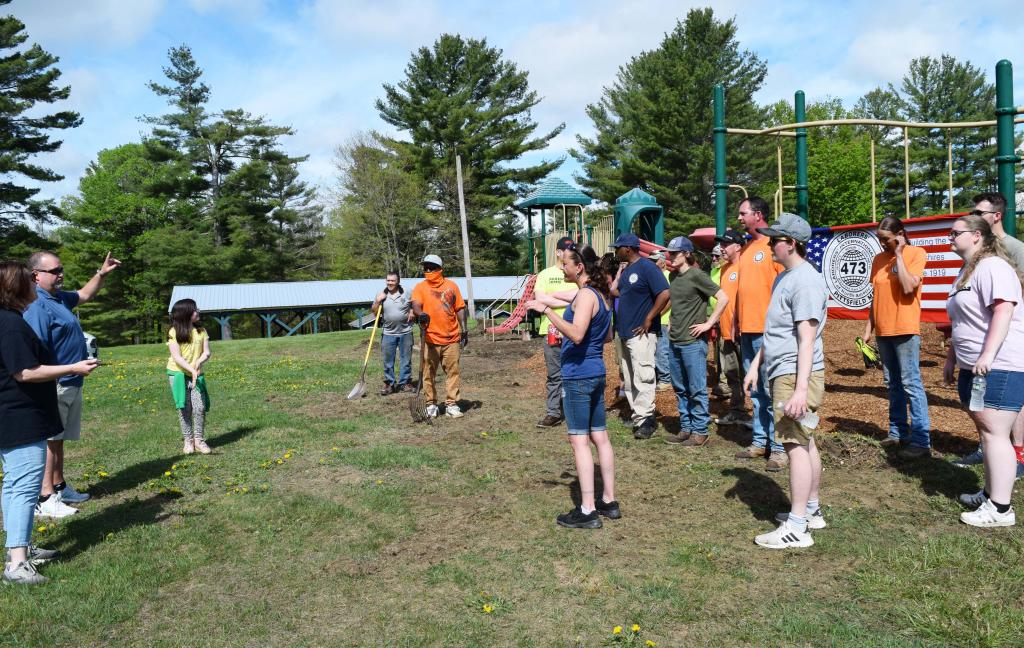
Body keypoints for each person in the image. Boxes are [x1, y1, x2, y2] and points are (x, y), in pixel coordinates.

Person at [1, 261, 98, 584]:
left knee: (14, 485)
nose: (36, 283)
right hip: (19, 417)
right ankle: (17, 564)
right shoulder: (11, 324)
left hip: (15, 415)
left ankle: (21, 547)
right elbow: (24, 372)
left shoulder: (10, 320)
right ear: (18, 286)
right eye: (30, 279)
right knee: (24, 488)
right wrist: (73, 367)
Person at [743, 213, 829, 549]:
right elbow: (776, 331)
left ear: (791, 243)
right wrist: (755, 366)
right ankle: (811, 511)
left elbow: (806, 339)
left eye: (774, 239)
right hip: (783, 369)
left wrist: (799, 391)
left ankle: (796, 527)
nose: (769, 244)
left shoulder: (805, 281)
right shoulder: (785, 278)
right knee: (805, 442)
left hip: (795, 373)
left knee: (794, 445)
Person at [525, 246, 618, 529]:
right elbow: (609, 335)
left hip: (579, 375)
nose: (561, 268)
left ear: (579, 267)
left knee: (579, 441)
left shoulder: (587, 295)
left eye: (564, 263)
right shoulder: (600, 295)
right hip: (596, 371)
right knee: (599, 437)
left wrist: (547, 313)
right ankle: (609, 501)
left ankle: (588, 509)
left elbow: (577, 335)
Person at [23, 250, 120, 518]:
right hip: (56, 383)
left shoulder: (58, 298)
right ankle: (45, 498)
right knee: (49, 440)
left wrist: (101, 273)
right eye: (54, 271)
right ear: (36, 275)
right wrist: (63, 371)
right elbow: (36, 351)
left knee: (59, 439)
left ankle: (59, 486)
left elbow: (85, 295)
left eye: (61, 269)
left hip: (72, 380)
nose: (60, 274)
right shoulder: (38, 305)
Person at [945, 214, 1024, 527]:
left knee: (995, 434)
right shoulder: (968, 270)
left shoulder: (993, 267)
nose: (950, 237)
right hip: (973, 366)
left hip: (1000, 365)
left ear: (976, 235)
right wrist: (952, 359)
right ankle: (991, 494)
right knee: (988, 433)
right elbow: (962, 322)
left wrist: (988, 354)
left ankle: (1001, 509)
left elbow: (1004, 310)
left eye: (955, 233)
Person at [863, 216, 931, 459]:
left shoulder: (915, 253)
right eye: (880, 239)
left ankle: (921, 440)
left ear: (900, 234)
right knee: (892, 383)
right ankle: (897, 432)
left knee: (911, 383)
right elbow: (876, 296)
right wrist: (868, 328)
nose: (882, 244)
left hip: (904, 328)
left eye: (887, 239)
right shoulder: (878, 259)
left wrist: (899, 255)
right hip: (883, 330)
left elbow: (908, 287)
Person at [733, 197, 787, 471]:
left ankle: (779, 448)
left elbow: (784, 287)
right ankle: (759, 441)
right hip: (747, 330)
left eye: (743, 214)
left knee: (772, 388)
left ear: (758, 214)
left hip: (769, 333)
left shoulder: (774, 244)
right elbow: (743, 291)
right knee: (755, 391)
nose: (739, 218)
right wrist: (735, 322)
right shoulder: (746, 249)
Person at [662, 237, 729, 447]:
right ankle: (686, 427)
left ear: (687, 254)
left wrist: (709, 323)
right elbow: (677, 302)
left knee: (697, 387)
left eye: (675, 253)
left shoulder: (697, 275)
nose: (670, 257)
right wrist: (673, 320)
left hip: (693, 342)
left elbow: (723, 298)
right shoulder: (673, 277)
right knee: (680, 387)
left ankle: (700, 431)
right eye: (669, 253)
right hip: (675, 340)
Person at [610, 233, 670, 439]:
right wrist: (618, 275)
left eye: (617, 248)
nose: (615, 251)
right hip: (626, 333)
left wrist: (649, 318)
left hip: (641, 333)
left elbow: (664, 293)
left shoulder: (647, 267)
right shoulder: (627, 271)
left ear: (628, 248)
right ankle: (638, 416)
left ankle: (647, 420)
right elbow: (618, 293)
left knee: (643, 375)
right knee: (630, 376)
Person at [410, 254, 468, 419]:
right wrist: (421, 314)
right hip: (429, 338)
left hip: (451, 338)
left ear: (440, 269)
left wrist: (464, 330)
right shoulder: (420, 287)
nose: (428, 271)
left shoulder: (452, 286)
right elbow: (415, 304)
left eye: (431, 268)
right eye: (425, 268)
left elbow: (460, 308)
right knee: (428, 373)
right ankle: (431, 404)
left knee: (453, 372)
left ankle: (451, 404)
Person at [531, 236, 578, 427]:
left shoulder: (577, 271)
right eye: (566, 249)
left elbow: (582, 295)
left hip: (575, 328)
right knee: (554, 374)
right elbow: (539, 299)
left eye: (572, 250)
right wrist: (569, 300)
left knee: (575, 371)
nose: (569, 252)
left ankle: (575, 410)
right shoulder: (545, 274)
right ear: (558, 252)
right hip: (550, 329)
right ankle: (553, 412)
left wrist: (552, 299)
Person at [714, 230, 751, 426]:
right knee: (731, 374)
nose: (721, 248)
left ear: (738, 246)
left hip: (746, 332)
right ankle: (737, 410)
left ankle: (760, 418)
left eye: (725, 244)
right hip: (726, 332)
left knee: (751, 375)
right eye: (721, 244)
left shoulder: (747, 267)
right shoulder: (724, 269)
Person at [166, 299, 212, 455]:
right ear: (185, 314)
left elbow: (207, 352)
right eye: (194, 310)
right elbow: (177, 357)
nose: (197, 312)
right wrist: (191, 370)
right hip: (178, 374)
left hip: (196, 374)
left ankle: (199, 440)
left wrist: (199, 362)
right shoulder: (174, 332)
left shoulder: (201, 331)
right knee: (184, 408)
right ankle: (188, 441)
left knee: (200, 407)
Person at [372, 271, 414, 396]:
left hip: (405, 332)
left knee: (406, 359)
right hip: (388, 332)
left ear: (398, 281)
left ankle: (404, 383)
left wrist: (412, 311)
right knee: (387, 360)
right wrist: (378, 301)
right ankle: (389, 383)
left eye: (393, 281)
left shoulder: (407, 292)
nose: (390, 283)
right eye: (388, 280)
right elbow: (375, 313)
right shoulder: (381, 294)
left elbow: (414, 303)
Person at [649, 250, 673, 391]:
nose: (652, 263)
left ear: (662, 261)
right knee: (655, 350)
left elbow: (670, 298)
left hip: (662, 320)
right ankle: (659, 376)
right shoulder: (654, 275)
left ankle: (665, 379)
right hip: (654, 318)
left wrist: (659, 313)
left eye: (655, 260)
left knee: (662, 350)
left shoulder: (667, 275)